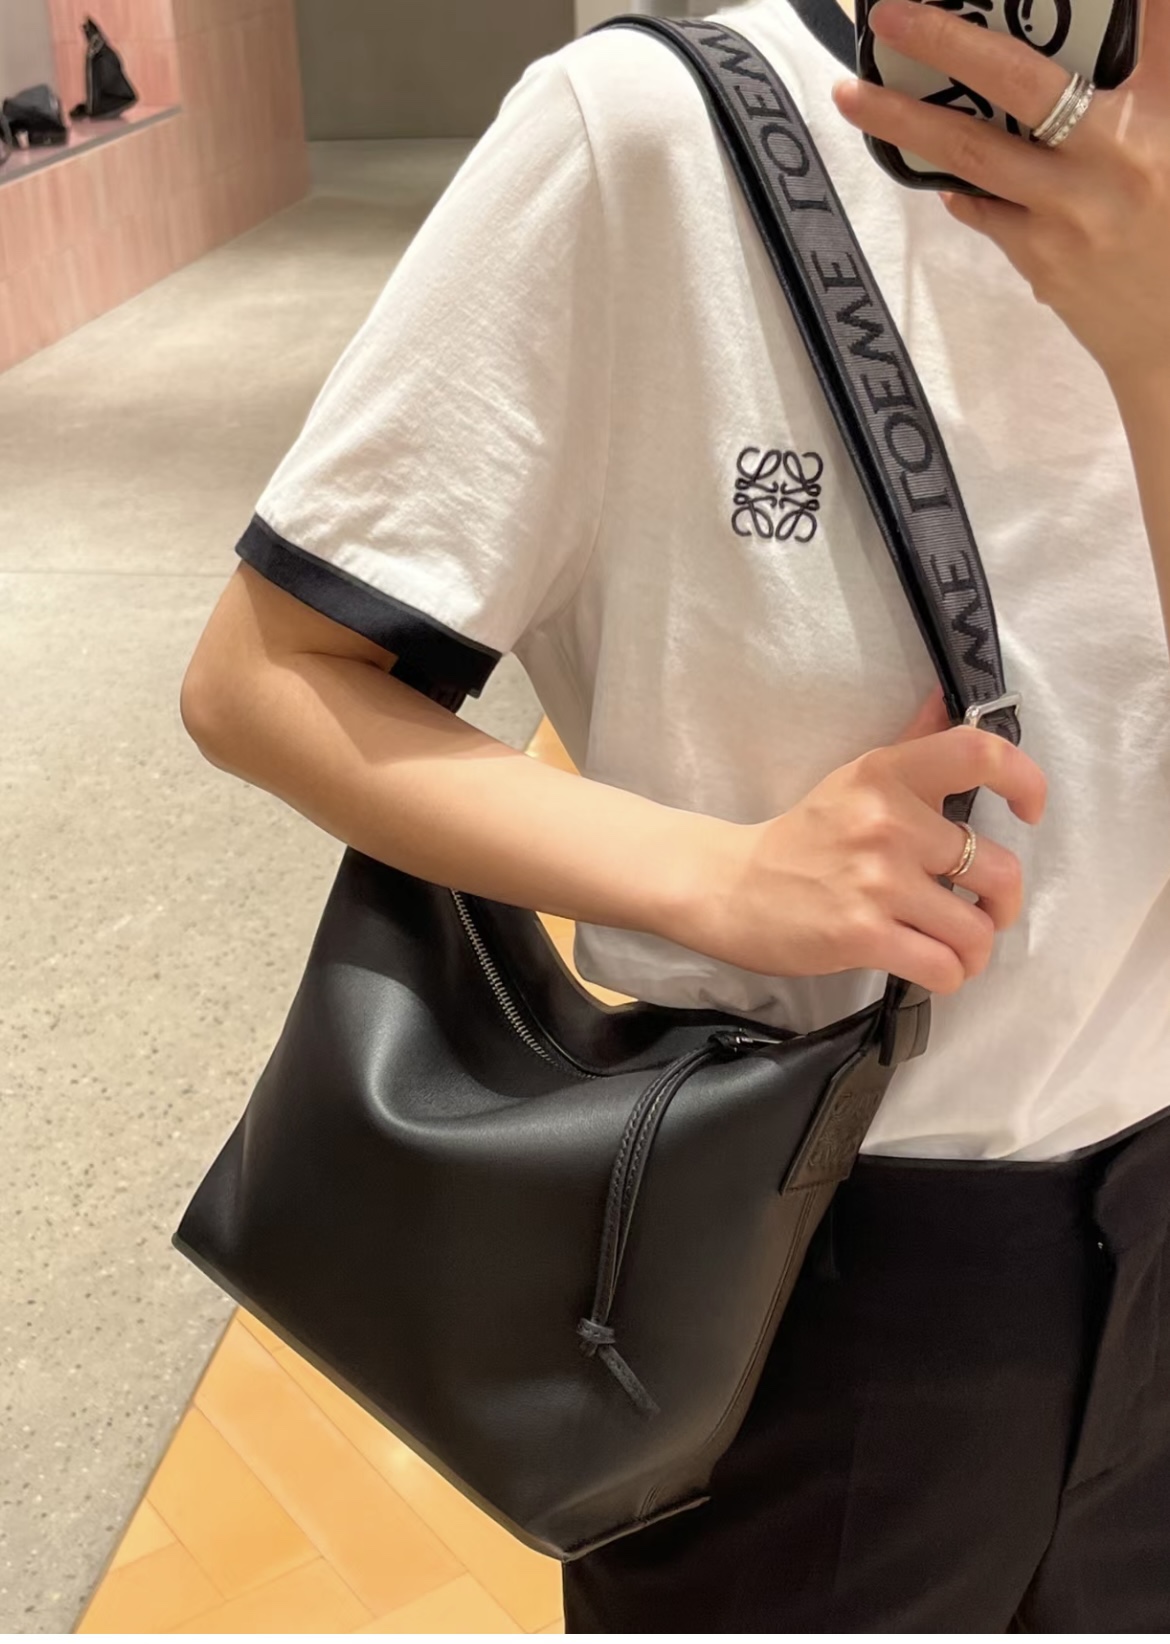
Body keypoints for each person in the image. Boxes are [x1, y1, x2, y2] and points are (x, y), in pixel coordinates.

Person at [179, 0, 1170, 1629]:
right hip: (809, 1278)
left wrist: (1150, 351)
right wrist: (718, 876)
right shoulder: (647, 136)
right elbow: (265, 673)